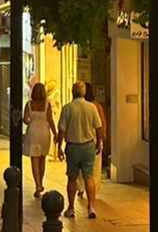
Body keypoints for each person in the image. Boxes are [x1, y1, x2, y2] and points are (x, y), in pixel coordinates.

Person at [56, 80, 104, 219]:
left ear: (72, 92)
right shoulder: (92, 108)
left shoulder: (67, 108)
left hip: (73, 146)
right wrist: (99, 142)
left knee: (72, 178)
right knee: (89, 177)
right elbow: (98, 127)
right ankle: (91, 207)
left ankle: (71, 208)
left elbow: (62, 130)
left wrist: (59, 147)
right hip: (88, 145)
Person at [23, 82, 57, 198]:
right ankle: (41, 182)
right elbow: (50, 120)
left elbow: (25, 119)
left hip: (33, 132)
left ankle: (37, 184)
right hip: (44, 132)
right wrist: (55, 133)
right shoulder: (47, 105)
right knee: (43, 159)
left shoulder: (29, 104)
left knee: (34, 160)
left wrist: (31, 121)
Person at [78, 83, 107, 200]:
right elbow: (102, 122)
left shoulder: (79, 106)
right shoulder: (96, 105)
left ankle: (81, 187)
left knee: (80, 165)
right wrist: (103, 134)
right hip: (95, 136)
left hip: (82, 136)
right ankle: (93, 187)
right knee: (95, 165)